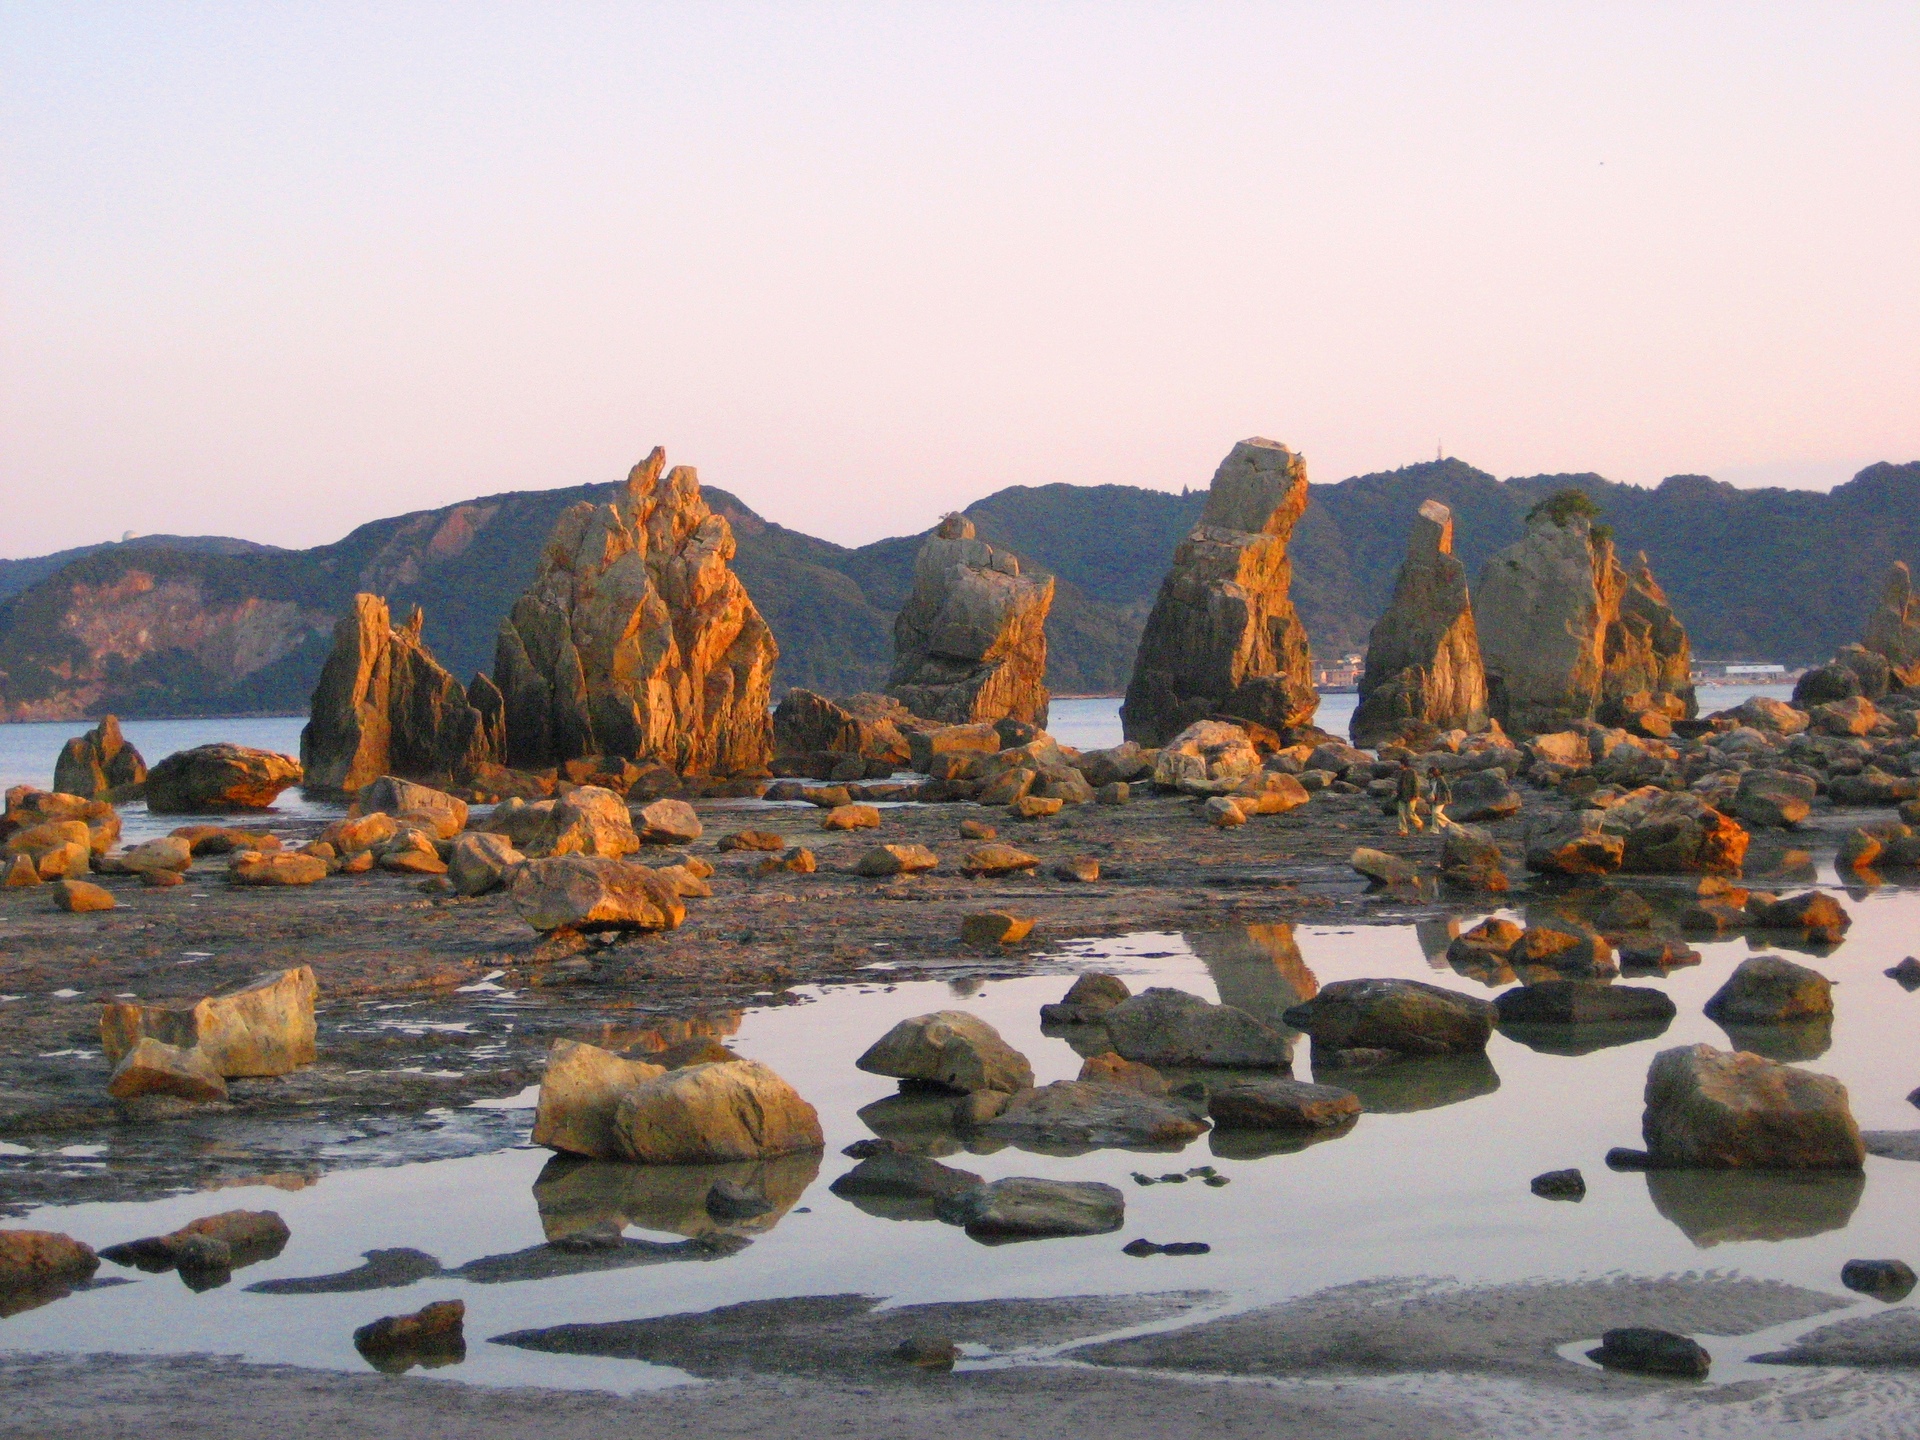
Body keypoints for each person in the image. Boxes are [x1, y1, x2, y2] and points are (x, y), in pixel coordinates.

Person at [1395, 762, 1424, 836]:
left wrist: (1416, 795)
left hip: (1411, 795)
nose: (1399, 765)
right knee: (1401, 813)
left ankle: (1419, 823)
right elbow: (1399, 784)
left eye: (1400, 763)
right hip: (1401, 796)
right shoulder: (1401, 773)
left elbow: (1415, 783)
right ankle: (1403, 830)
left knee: (1410, 813)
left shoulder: (1412, 772)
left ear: (1403, 764)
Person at [1427, 763, 1452, 829]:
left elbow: (1446, 788)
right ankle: (1435, 829)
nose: (1429, 774)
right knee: (1434, 814)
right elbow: (1432, 789)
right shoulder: (1431, 780)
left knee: (1436, 813)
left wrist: (1449, 799)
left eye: (1430, 773)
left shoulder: (1440, 778)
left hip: (1441, 798)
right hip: (1434, 799)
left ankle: (1450, 824)